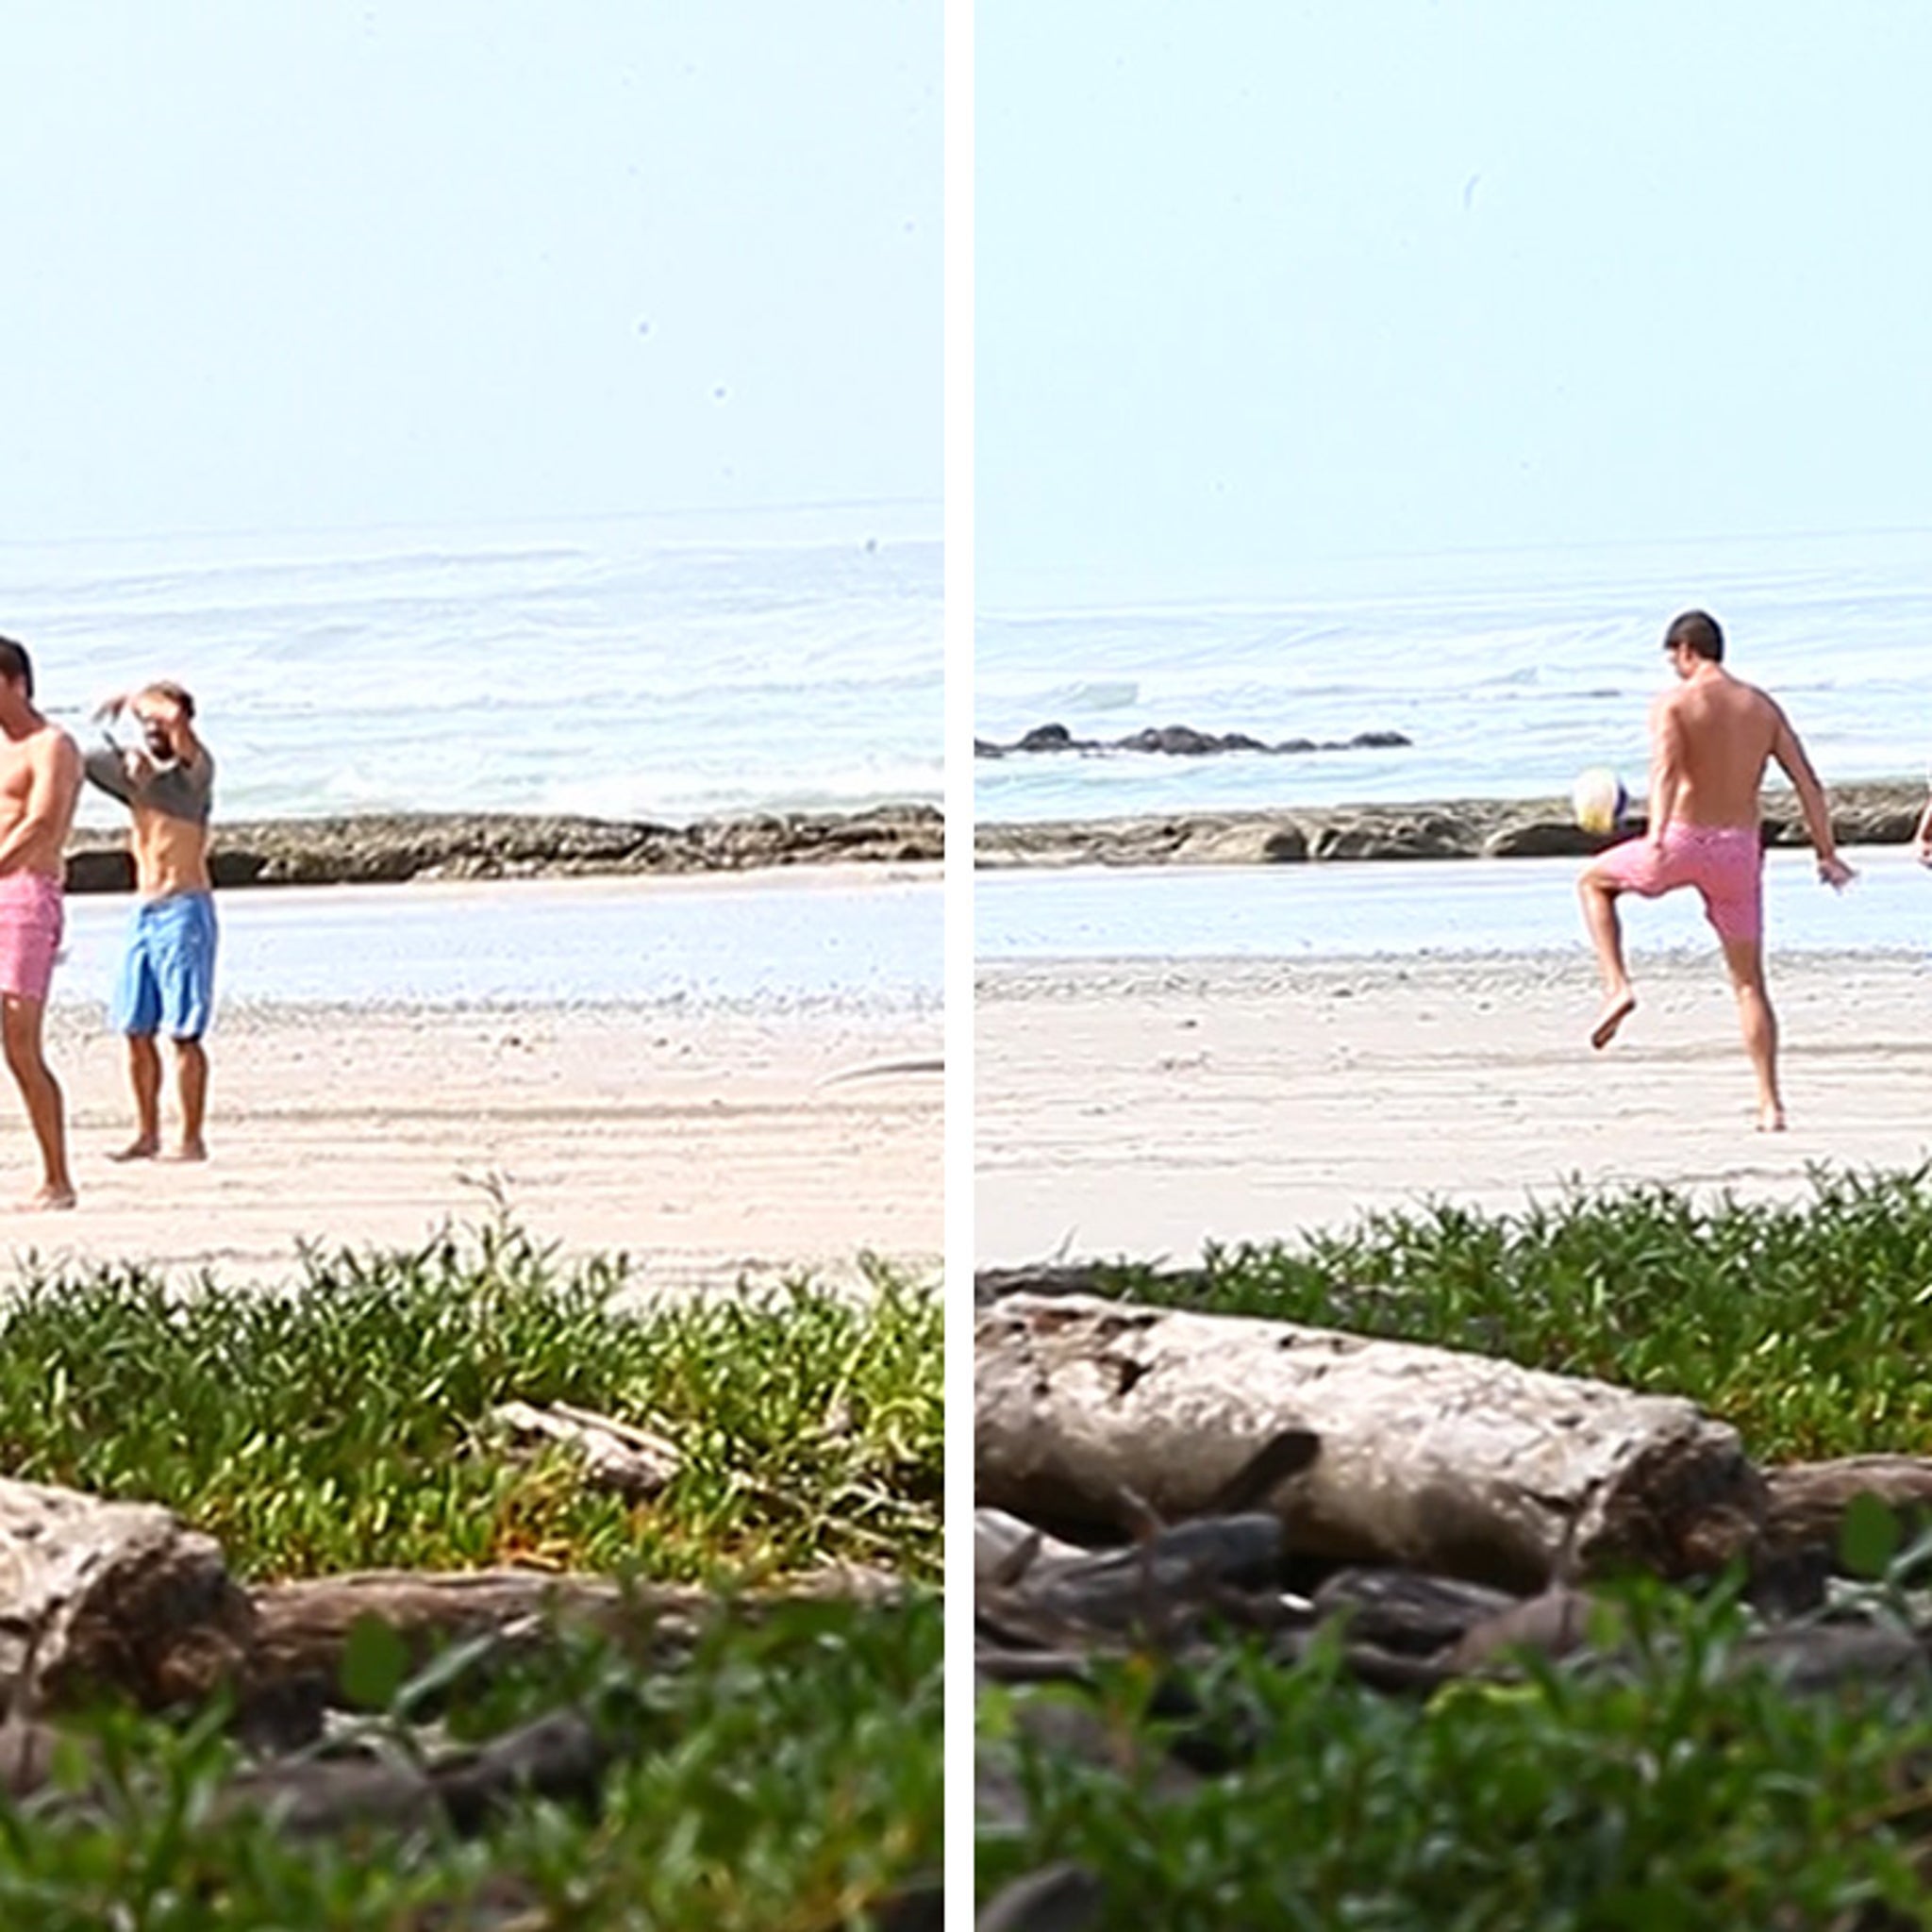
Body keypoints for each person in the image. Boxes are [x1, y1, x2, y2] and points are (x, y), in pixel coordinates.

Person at [1577, 609, 1854, 1131]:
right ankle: (1770, 1104)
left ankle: (1617, 986)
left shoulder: (1675, 704)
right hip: (1738, 852)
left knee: (1594, 881)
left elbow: (1665, 772)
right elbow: (1808, 785)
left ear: (1685, 651)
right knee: (1749, 984)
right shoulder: (1761, 706)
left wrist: (1657, 837)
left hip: (1682, 840)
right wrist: (1827, 853)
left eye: (1672, 660)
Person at [85, 681, 218, 1162]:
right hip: (143, 909)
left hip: (185, 907)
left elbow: (176, 722)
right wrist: (128, 757)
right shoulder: (140, 779)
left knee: (184, 1032)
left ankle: (192, 1137)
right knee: (135, 1028)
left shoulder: (194, 776)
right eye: (146, 727)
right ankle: (146, 1132)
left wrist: (136, 697)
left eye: (159, 723)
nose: (153, 730)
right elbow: (80, 760)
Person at [0, 637, 83, 1208]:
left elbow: (41, 821)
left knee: (20, 1042)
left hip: (26, 894)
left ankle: (57, 1177)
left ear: (15, 682)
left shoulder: (51, 744)